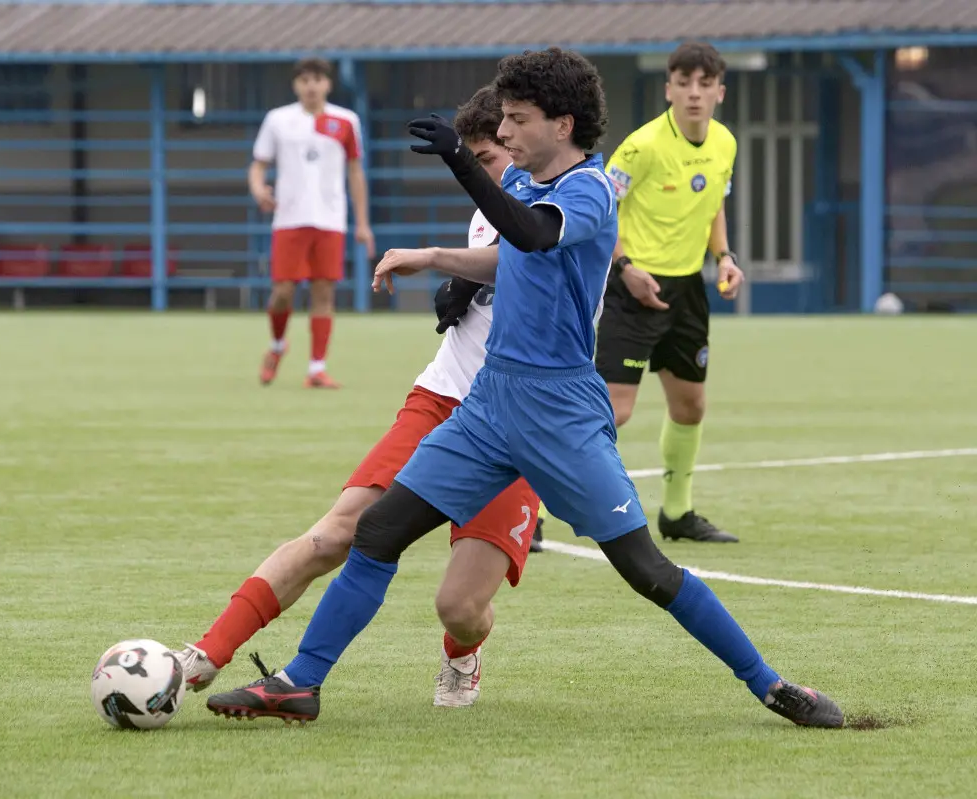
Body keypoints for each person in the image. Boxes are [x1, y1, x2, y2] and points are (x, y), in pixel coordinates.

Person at [206, 48, 844, 730]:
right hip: (489, 405)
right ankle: (300, 682)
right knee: (378, 532)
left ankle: (771, 684)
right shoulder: (526, 184)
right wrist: (437, 259)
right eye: (500, 123)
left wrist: (459, 160)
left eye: (517, 120)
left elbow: (533, 237)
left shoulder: (591, 192)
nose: (503, 135)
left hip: (560, 413)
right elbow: (508, 249)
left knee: (647, 570)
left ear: (562, 124)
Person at [180, 87, 538, 718]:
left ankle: (462, 652)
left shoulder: (559, 196)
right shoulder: (491, 204)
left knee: (459, 607)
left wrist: (443, 264)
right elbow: (494, 248)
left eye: (489, 157)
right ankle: (206, 654)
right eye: (480, 159)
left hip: (519, 425)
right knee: (334, 534)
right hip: (443, 399)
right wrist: (466, 280)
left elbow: (530, 252)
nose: (487, 172)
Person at [598, 42, 744, 543]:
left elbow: (714, 205)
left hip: (687, 291)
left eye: (705, 84)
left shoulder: (725, 144)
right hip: (633, 286)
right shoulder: (640, 148)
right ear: (669, 90)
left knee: (690, 406)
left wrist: (724, 257)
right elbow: (600, 211)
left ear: (720, 92)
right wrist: (625, 266)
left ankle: (677, 514)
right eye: (684, 83)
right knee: (612, 411)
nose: (694, 94)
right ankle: (531, 507)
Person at [250, 56, 376, 389]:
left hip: (330, 219)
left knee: (323, 291)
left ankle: (316, 368)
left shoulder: (346, 121)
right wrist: (258, 188)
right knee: (282, 293)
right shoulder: (278, 120)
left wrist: (362, 222)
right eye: (304, 80)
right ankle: (277, 346)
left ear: (328, 84)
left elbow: (355, 172)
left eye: (317, 79)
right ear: (296, 85)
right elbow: (258, 166)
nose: (311, 86)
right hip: (289, 219)